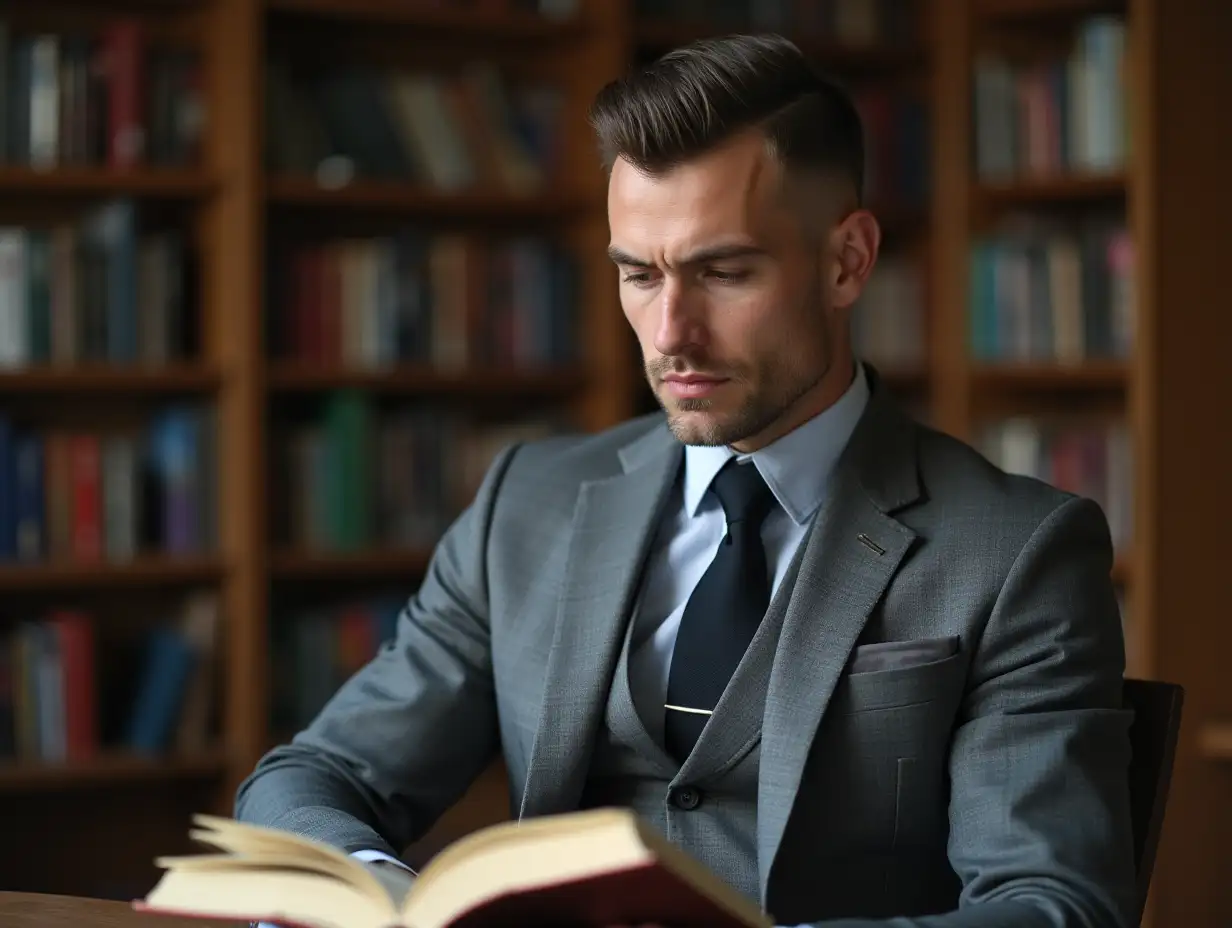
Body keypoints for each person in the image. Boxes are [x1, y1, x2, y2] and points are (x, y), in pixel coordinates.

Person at [236, 33, 1137, 928]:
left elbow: (1052, 908)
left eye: (725, 272)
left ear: (847, 261)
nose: (671, 332)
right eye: (638, 273)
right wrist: (377, 892)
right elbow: (314, 780)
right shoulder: (527, 503)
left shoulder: (1016, 550)